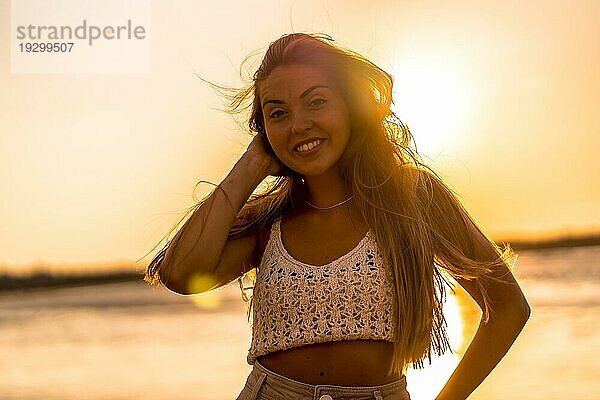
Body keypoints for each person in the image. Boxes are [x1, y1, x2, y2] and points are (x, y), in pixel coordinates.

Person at [144, 33, 530, 400]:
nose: (298, 124)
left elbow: (508, 307)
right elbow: (179, 274)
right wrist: (251, 164)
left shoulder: (413, 199)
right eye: (277, 113)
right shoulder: (269, 221)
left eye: (316, 102)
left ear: (350, 105)